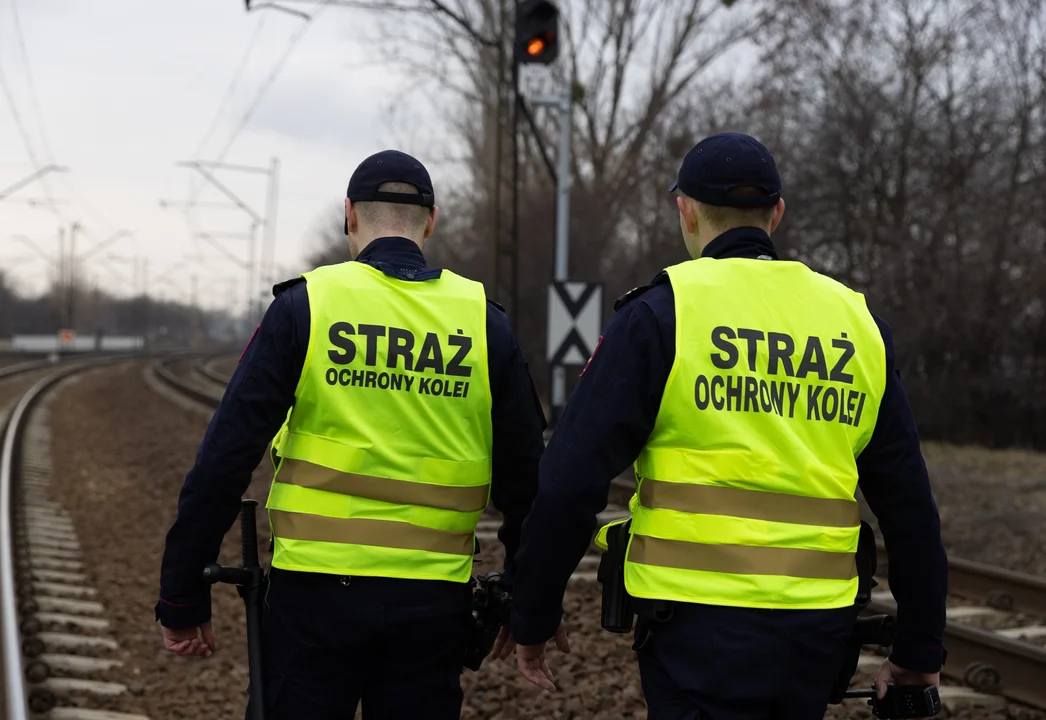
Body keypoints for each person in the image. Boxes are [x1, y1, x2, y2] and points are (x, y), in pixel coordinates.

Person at [499, 133, 948, 719]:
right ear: (776, 215)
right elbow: (910, 507)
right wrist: (918, 649)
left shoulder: (662, 315)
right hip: (816, 632)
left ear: (684, 210)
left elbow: (566, 483)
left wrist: (533, 612)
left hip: (693, 626)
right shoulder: (856, 323)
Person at [156, 149, 547, 719]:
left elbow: (225, 456)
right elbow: (528, 483)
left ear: (350, 216)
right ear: (431, 221)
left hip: (313, 599)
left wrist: (182, 590)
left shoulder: (305, 307)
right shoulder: (483, 322)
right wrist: (524, 594)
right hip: (433, 603)